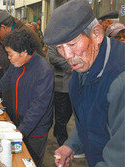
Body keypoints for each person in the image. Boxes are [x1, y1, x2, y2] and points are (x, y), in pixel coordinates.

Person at [44, 1, 125, 167]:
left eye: (72, 44)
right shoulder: (83, 69)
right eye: (60, 47)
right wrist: (71, 144)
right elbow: (87, 117)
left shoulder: (119, 78)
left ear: (96, 34)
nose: (67, 55)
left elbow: (119, 157)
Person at [0, 29, 53, 167]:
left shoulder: (43, 71)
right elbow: (4, 83)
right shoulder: (17, 64)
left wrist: (21, 131)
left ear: (24, 52)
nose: (8, 57)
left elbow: (39, 106)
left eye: (10, 54)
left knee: (29, 161)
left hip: (35, 128)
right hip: (16, 121)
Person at [48, 45, 73, 146]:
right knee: (61, 115)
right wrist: (69, 63)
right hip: (60, 86)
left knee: (68, 113)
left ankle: (57, 130)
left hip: (72, 84)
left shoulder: (71, 40)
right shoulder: (53, 44)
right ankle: (63, 142)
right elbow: (52, 58)